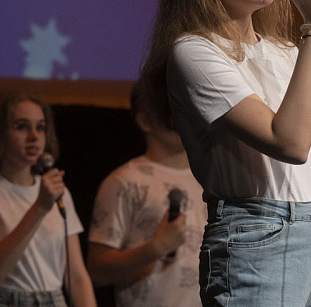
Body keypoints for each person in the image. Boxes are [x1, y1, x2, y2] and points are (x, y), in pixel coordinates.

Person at [140, 0, 311, 307]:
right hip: (256, 237)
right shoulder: (194, 51)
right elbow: (290, 142)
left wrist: (309, 36)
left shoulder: (286, 51)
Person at [86, 79, 206, 307]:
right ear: (145, 120)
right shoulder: (124, 181)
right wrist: (157, 248)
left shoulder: (208, 178)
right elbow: (97, 271)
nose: (183, 113)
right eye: (171, 106)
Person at [0, 91, 97, 307]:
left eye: (41, 127)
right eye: (22, 126)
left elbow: (76, 276)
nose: (34, 136)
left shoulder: (58, 191)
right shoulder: (37, 197)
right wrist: (40, 208)